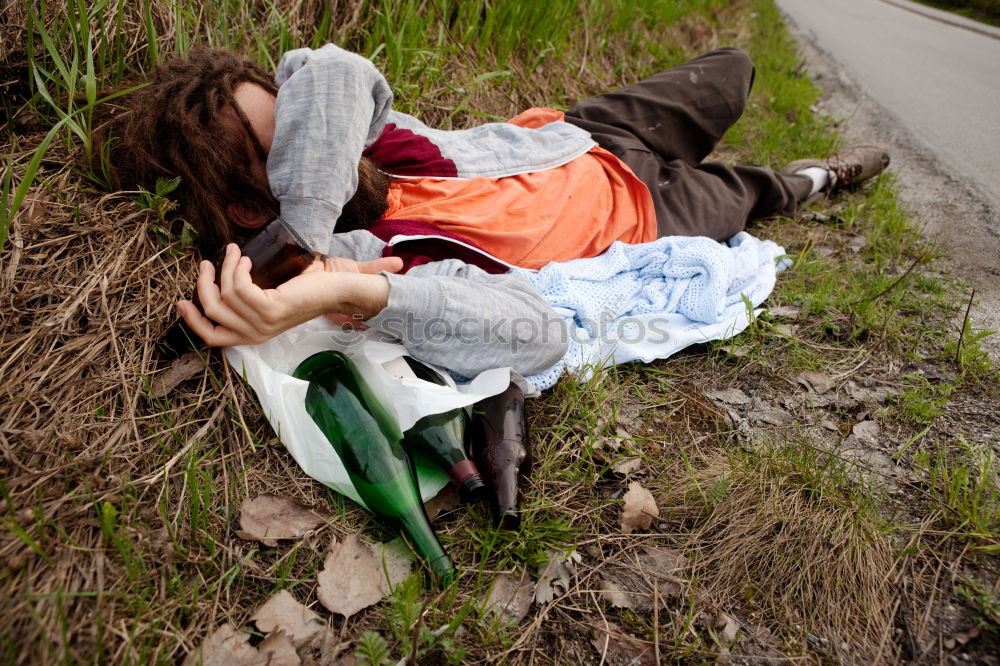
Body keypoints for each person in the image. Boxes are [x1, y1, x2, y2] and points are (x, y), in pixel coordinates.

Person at [103, 44, 888, 378]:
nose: (321, 145)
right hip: (651, 216)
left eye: (303, 124)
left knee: (734, 67)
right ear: (246, 203)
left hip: (583, 136)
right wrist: (342, 284)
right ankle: (822, 176)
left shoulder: (356, 138)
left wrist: (298, 227)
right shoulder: (357, 257)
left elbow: (330, 71)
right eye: (287, 147)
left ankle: (779, 163)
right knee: (757, 193)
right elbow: (538, 336)